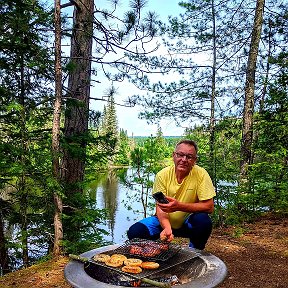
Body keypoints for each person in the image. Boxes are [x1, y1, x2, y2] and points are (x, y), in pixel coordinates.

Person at [127, 139, 216, 250]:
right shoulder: (162, 175)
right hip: (164, 221)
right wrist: (167, 228)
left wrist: (179, 206)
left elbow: (209, 206)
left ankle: (195, 252)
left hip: (187, 223)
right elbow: (160, 207)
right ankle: (154, 252)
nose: (184, 160)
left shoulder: (201, 174)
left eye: (189, 157)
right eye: (180, 155)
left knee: (203, 221)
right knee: (135, 231)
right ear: (174, 155)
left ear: (194, 160)